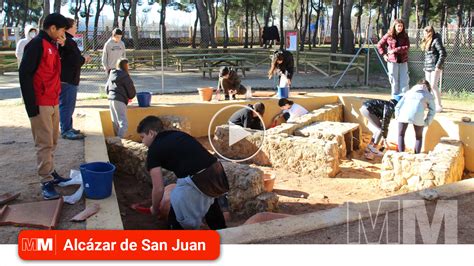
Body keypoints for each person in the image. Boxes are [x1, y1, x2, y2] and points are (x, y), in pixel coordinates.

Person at [137, 116, 229, 230]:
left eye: (142, 137)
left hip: (198, 179)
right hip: (217, 171)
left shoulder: (153, 150)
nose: (142, 142)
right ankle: (223, 235)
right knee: (209, 200)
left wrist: (155, 208)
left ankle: (180, 242)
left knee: (176, 216)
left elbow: (158, 188)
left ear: (151, 133)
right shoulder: (175, 135)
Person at [19, 13, 72, 200]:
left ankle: (51, 172)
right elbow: (24, 74)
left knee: (53, 141)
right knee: (44, 144)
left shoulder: (52, 45)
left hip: (52, 100)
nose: (63, 34)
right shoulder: (35, 45)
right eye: (62, 30)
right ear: (52, 28)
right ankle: (46, 182)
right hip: (40, 103)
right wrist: (31, 107)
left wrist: (63, 47)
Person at [58, 18, 91, 140]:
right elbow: (75, 61)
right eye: (75, 25)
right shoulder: (68, 41)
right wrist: (84, 59)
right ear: (68, 28)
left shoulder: (67, 41)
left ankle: (68, 127)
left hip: (68, 78)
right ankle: (66, 130)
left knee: (68, 105)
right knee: (66, 105)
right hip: (68, 79)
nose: (76, 28)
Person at [395, 80, 436, 154]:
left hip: (403, 115)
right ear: (428, 88)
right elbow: (432, 111)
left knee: (400, 135)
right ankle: (417, 156)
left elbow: (398, 106)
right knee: (419, 137)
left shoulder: (408, 92)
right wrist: (426, 122)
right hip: (418, 117)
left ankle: (401, 154)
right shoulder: (429, 96)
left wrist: (397, 116)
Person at [377, 19, 410, 101]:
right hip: (392, 61)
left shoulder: (405, 36)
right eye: (398, 26)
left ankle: (404, 99)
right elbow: (379, 45)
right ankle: (394, 99)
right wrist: (384, 54)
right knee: (394, 81)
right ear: (394, 26)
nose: (400, 27)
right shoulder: (389, 35)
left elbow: (407, 47)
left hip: (403, 61)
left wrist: (395, 50)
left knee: (404, 81)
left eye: (401, 26)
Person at [106, 58, 136, 138]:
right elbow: (131, 90)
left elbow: (107, 87)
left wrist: (109, 95)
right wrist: (130, 96)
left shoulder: (112, 74)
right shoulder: (125, 76)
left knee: (115, 121)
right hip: (119, 100)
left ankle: (116, 139)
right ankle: (119, 139)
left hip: (111, 99)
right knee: (123, 123)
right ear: (125, 66)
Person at [421, 26, 447, 113]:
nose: (424, 35)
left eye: (426, 33)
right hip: (428, 66)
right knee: (428, 86)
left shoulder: (436, 40)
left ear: (430, 33)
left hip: (435, 67)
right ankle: (430, 104)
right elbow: (427, 55)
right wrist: (425, 67)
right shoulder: (426, 41)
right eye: (424, 33)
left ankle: (439, 105)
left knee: (433, 85)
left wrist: (438, 66)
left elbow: (443, 53)